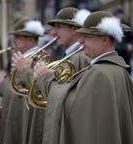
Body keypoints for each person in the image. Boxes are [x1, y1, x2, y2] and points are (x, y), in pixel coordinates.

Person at [33, 11, 133, 144]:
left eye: (87, 36)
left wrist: (45, 78)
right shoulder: (120, 71)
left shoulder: (99, 73)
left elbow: (70, 107)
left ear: (104, 40)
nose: (81, 41)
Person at [11, 7, 91, 144]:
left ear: (74, 29)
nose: (54, 32)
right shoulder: (72, 54)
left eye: (59, 27)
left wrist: (27, 71)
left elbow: (59, 93)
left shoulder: (80, 57)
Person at [0, 19, 44, 144]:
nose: (14, 40)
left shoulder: (38, 59)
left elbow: (25, 90)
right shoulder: (22, 57)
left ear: (30, 39)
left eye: (18, 36)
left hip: (23, 118)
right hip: (16, 115)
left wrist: (1, 83)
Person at [113, 6, 133, 73]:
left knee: (127, 70)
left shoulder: (126, 25)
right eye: (116, 14)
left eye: (120, 13)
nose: (118, 15)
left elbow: (132, 37)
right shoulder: (111, 25)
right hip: (115, 52)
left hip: (125, 52)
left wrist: (131, 45)